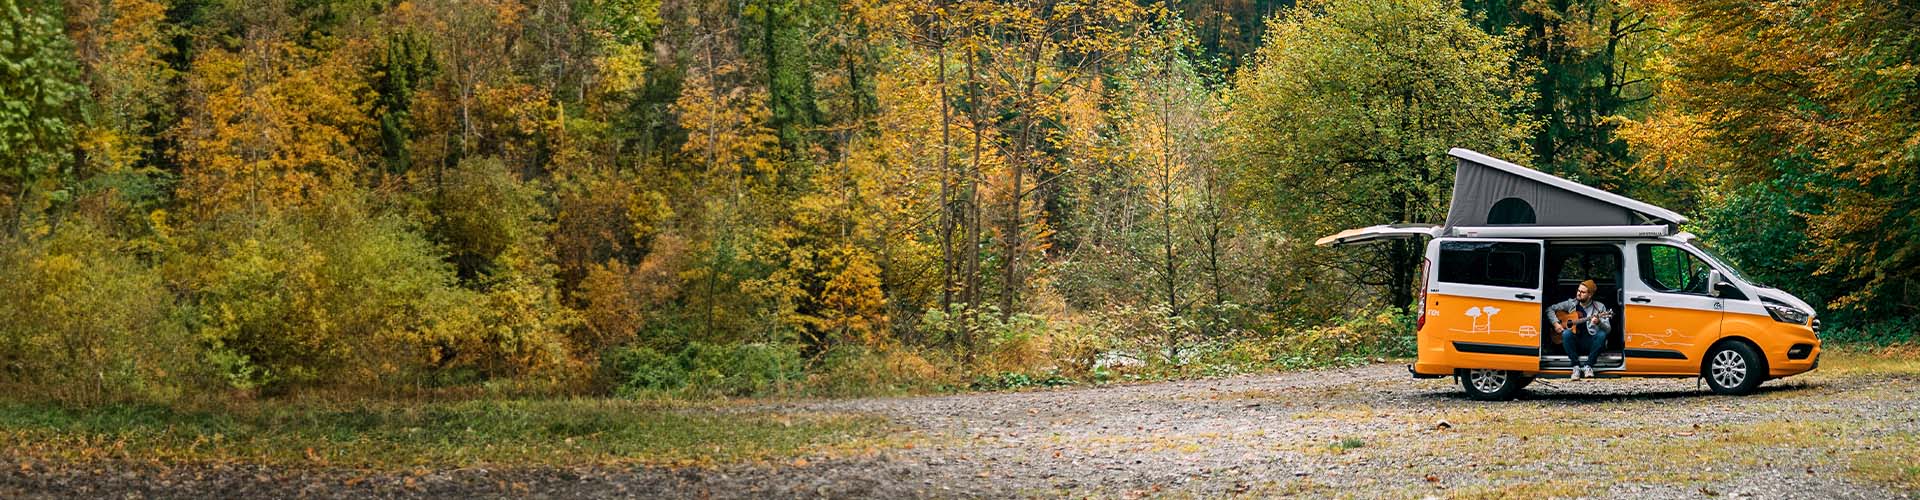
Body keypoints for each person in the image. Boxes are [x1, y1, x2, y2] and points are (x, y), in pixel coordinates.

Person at [1546, 279, 1611, 379]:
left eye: (1582, 292)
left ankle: (1588, 366)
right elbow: (1550, 309)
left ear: (1590, 295)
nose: (1579, 293)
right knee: (1566, 334)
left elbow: (1608, 330)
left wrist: (1599, 322)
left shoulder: (1600, 307)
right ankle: (1575, 367)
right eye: (1578, 290)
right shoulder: (1571, 303)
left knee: (1602, 335)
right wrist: (1555, 323)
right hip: (1574, 342)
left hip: (1590, 342)